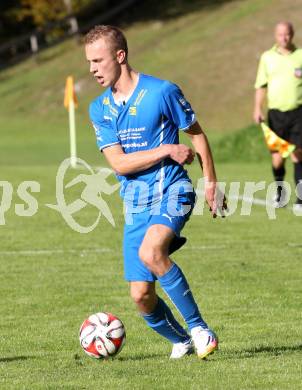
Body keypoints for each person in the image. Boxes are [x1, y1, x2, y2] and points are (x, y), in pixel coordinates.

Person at [85, 25, 225, 359]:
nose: (92, 69)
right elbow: (119, 164)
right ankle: (183, 339)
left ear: (120, 56)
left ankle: (200, 328)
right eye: (88, 62)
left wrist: (210, 182)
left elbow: (197, 134)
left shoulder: (162, 91)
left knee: (151, 253)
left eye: (97, 61)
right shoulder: (99, 109)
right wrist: (166, 149)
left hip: (172, 190)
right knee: (140, 296)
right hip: (135, 204)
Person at [253, 21, 302, 209]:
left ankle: (300, 199)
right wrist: (257, 108)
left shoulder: (300, 56)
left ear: (293, 34)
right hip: (275, 115)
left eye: (287, 34)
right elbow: (260, 85)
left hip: (298, 113)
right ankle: (280, 194)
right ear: (275, 35)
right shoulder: (267, 57)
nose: (284, 37)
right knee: (277, 158)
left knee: (298, 155)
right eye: (281, 34)